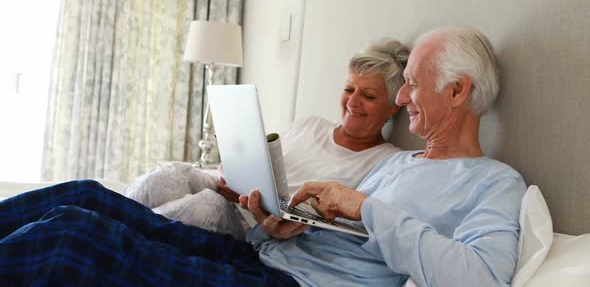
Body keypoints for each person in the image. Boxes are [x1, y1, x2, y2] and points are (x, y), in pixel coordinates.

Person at [0, 27, 526, 287]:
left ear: (457, 93)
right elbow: (350, 226)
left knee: (73, 240)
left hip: (291, 286)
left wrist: (362, 205)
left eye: (411, 86)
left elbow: (478, 277)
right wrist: (274, 227)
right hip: (261, 257)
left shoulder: (494, 183)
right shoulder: (402, 164)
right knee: (85, 198)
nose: (404, 98)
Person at [123, 38, 408, 239]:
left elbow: (350, 220)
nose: (353, 102)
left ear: (395, 105)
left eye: (368, 95)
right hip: (236, 192)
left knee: (204, 206)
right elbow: (263, 161)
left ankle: (107, 230)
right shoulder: (311, 125)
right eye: (349, 89)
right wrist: (233, 171)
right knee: (169, 175)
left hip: (256, 222)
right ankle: (99, 213)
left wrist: (259, 209)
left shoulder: (385, 161)